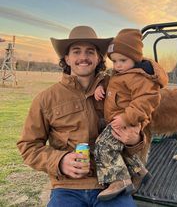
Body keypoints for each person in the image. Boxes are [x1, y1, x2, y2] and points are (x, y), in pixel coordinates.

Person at [17, 26, 146, 207]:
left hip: (113, 183)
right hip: (67, 187)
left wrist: (135, 140)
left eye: (90, 52)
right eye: (76, 52)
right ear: (67, 59)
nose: (83, 57)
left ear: (99, 57)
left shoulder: (119, 88)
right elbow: (28, 146)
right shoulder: (46, 99)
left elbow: (140, 125)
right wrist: (60, 161)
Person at [93, 29, 168, 201]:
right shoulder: (121, 72)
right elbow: (109, 79)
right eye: (114, 61)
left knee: (103, 146)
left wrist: (127, 118)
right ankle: (139, 171)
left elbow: (147, 100)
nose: (117, 65)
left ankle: (118, 180)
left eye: (122, 60)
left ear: (135, 58)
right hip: (119, 119)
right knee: (123, 151)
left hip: (127, 120)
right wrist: (100, 86)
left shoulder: (140, 78)